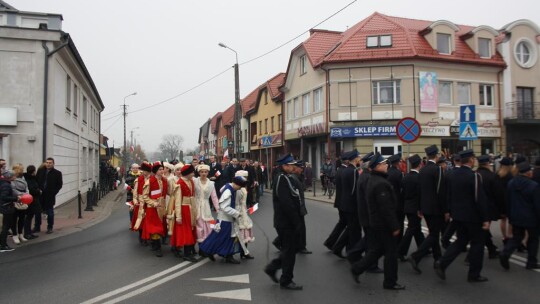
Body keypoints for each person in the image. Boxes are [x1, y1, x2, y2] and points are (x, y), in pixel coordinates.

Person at [434, 149, 490, 282]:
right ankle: (474, 274)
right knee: (477, 244)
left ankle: (442, 262)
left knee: (460, 241)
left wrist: (450, 211)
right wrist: (485, 218)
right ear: (471, 160)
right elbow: (479, 198)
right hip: (473, 217)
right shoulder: (474, 176)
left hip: (458, 215)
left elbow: (449, 195)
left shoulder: (452, 174)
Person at [351, 153, 404, 290]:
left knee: (377, 250)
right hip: (383, 224)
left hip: (377, 223)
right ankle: (390, 282)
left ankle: (357, 268)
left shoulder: (374, 179)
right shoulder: (380, 183)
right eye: (384, 163)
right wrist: (395, 226)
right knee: (391, 253)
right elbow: (386, 208)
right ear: (377, 166)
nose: (387, 165)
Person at [264, 154, 304, 290]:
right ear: (285, 166)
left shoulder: (285, 178)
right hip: (286, 222)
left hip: (286, 222)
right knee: (289, 252)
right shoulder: (281, 179)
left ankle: (272, 268)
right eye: (291, 165)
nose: (293, 167)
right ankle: (286, 280)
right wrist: (296, 222)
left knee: (289, 250)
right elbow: (286, 203)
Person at [408, 145, 447, 274]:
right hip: (436, 208)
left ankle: (438, 258)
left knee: (433, 233)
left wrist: (419, 207)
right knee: (434, 234)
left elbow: (419, 191)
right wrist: (446, 210)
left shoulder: (423, 170)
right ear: (436, 156)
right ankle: (416, 256)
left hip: (425, 207)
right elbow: (441, 192)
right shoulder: (438, 170)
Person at [499, 162, 540, 270]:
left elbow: (507, 201)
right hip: (531, 218)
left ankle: (505, 253)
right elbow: (537, 204)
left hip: (515, 216)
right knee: (533, 239)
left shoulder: (511, 183)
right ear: (528, 173)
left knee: (516, 237)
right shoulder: (533, 186)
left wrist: (509, 215)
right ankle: (531, 262)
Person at [199, 175, 248, 264]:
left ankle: (226, 254)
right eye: (240, 186)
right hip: (225, 219)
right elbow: (224, 207)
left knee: (226, 237)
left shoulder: (229, 187)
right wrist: (237, 213)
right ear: (236, 184)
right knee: (221, 237)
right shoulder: (229, 191)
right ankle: (207, 250)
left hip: (227, 219)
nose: (240, 188)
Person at [476, 155, 505, 258]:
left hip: (476, 206)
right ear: (488, 163)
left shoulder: (475, 174)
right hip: (489, 207)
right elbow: (498, 194)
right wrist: (502, 209)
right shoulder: (492, 176)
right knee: (483, 230)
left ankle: (491, 248)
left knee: (482, 229)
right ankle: (472, 256)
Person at [397, 154, 425, 260]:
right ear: (420, 164)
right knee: (411, 229)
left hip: (407, 206)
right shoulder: (419, 178)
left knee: (416, 229)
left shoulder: (406, 176)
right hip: (415, 208)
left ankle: (423, 248)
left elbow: (403, 193)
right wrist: (420, 209)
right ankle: (400, 251)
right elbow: (420, 194)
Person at [138, 161, 168, 257]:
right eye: (159, 169)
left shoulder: (164, 180)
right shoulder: (149, 181)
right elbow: (145, 196)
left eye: (162, 169)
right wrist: (153, 203)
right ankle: (158, 247)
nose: (162, 171)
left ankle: (155, 245)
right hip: (152, 208)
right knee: (155, 228)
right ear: (155, 171)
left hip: (161, 207)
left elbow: (168, 192)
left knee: (160, 226)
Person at [169, 164, 198, 262]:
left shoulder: (191, 181)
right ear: (188, 173)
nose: (193, 174)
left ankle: (189, 251)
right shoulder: (180, 183)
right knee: (186, 232)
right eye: (192, 172)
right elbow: (177, 201)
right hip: (184, 209)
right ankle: (186, 253)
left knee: (191, 229)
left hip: (191, 208)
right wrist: (178, 216)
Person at [193, 164, 219, 243]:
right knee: (198, 224)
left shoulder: (211, 184)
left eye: (205, 172)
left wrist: (217, 208)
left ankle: (206, 244)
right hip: (196, 204)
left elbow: (214, 197)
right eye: (201, 172)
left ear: (208, 173)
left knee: (208, 224)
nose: (203, 174)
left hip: (206, 205)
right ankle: (198, 244)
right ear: (199, 172)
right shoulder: (195, 181)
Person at [36, 157, 63, 234]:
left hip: (50, 196)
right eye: (47, 162)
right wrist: (38, 190)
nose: (48, 164)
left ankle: (50, 227)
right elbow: (37, 180)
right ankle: (37, 227)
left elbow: (59, 185)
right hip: (40, 195)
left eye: (50, 163)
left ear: (53, 164)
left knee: (50, 212)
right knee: (37, 212)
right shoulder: (41, 171)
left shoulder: (57, 173)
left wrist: (53, 192)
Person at [234, 170, 255, 259]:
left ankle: (244, 252)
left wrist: (249, 208)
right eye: (244, 178)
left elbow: (244, 202)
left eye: (246, 178)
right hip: (238, 212)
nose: (245, 180)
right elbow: (236, 202)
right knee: (237, 233)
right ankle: (230, 253)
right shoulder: (238, 189)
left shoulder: (243, 188)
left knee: (245, 232)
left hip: (243, 211)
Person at [131, 162, 152, 245]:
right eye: (143, 171)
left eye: (145, 171)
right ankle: (141, 236)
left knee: (148, 220)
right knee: (140, 220)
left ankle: (147, 236)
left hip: (149, 202)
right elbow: (135, 192)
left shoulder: (152, 179)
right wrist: (135, 201)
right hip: (140, 203)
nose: (144, 172)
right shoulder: (138, 179)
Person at [496, 157, 515, 245]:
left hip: (500, 200)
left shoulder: (497, 174)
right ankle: (510, 235)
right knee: (510, 220)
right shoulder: (510, 176)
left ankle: (504, 237)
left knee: (503, 220)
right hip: (509, 199)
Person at [11, 164, 30, 245]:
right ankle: (14, 235)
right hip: (15, 200)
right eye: (21, 169)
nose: (22, 171)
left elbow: (27, 188)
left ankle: (20, 234)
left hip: (23, 200)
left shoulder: (23, 178)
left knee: (22, 219)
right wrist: (22, 195)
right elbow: (13, 189)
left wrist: (26, 194)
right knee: (14, 219)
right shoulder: (12, 179)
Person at [1, 170, 19, 252]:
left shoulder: (3, 183)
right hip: (7, 207)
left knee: (5, 226)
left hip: (5, 207)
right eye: (13, 176)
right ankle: (3, 245)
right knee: (6, 227)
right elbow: (4, 197)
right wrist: (16, 198)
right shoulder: (6, 185)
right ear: (9, 177)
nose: (15, 177)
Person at [23, 165, 40, 240]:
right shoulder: (29, 179)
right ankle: (27, 233)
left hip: (32, 200)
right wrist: (38, 191)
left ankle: (29, 232)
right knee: (28, 217)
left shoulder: (31, 178)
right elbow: (31, 190)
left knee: (30, 217)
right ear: (33, 171)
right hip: (31, 201)